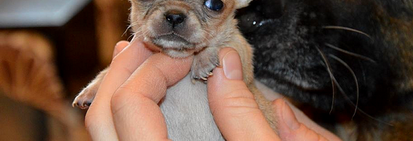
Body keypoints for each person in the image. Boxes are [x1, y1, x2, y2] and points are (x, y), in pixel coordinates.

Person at [85, 38, 341, 141]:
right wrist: (102, 83)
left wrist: (214, 51)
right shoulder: (149, 54)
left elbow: (242, 58)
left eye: (212, 4)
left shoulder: (229, 40)